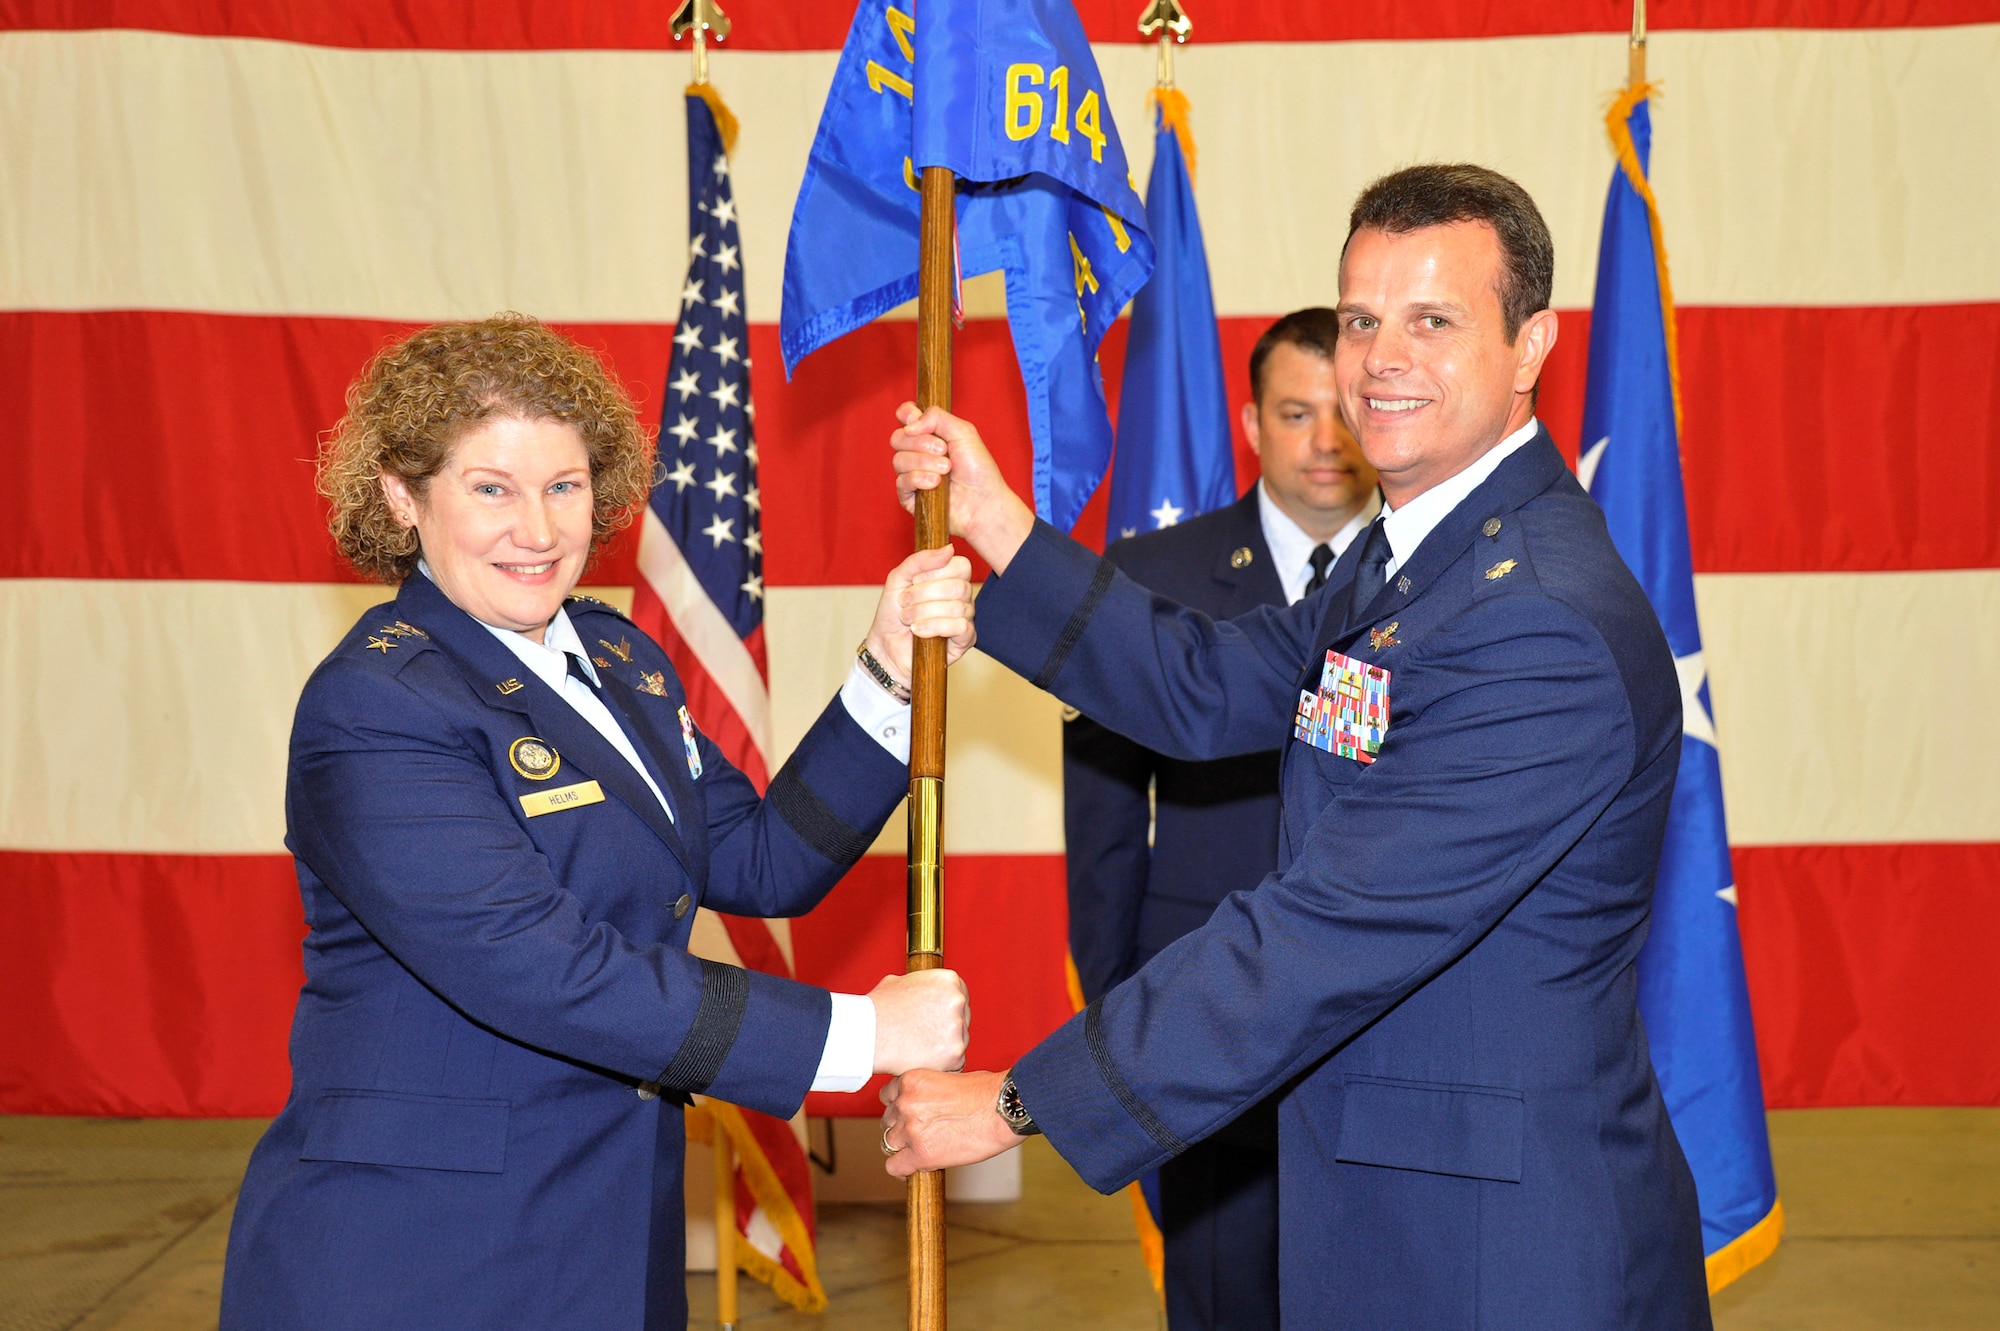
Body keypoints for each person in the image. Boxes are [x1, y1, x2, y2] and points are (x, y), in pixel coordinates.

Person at [880, 166, 1711, 1328]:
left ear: (1530, 346)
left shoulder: (1538, 623)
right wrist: (997, 524)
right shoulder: (1412, 557)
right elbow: (1206, 681)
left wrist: (1024, 1101)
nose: (1379, 358)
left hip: (1498, 1255)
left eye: (1432, 320)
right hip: (1387, 1208)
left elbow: (1323, 928)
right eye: (1361, 319)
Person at [219, 316, 976, 1331]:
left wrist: (887, 672)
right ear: (403, 498)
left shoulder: (617, 662)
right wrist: (861, 1033)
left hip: (609, 1235)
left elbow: (755, 860)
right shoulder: (376, 704)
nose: (537, 529)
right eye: (491, 487)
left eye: (564, 485)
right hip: (420, 1255)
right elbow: (541, 968)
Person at [1064, 308, 1379, 1330]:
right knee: (1223, 1301)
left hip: (1384, 1020)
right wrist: (1120, 1021)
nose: (1324, 441)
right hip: (1202, 1013)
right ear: (1250, 422)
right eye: (1295, 413)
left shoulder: (1434, 572)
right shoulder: (1152, 578)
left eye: (1342, 412)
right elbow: (1105, 827)